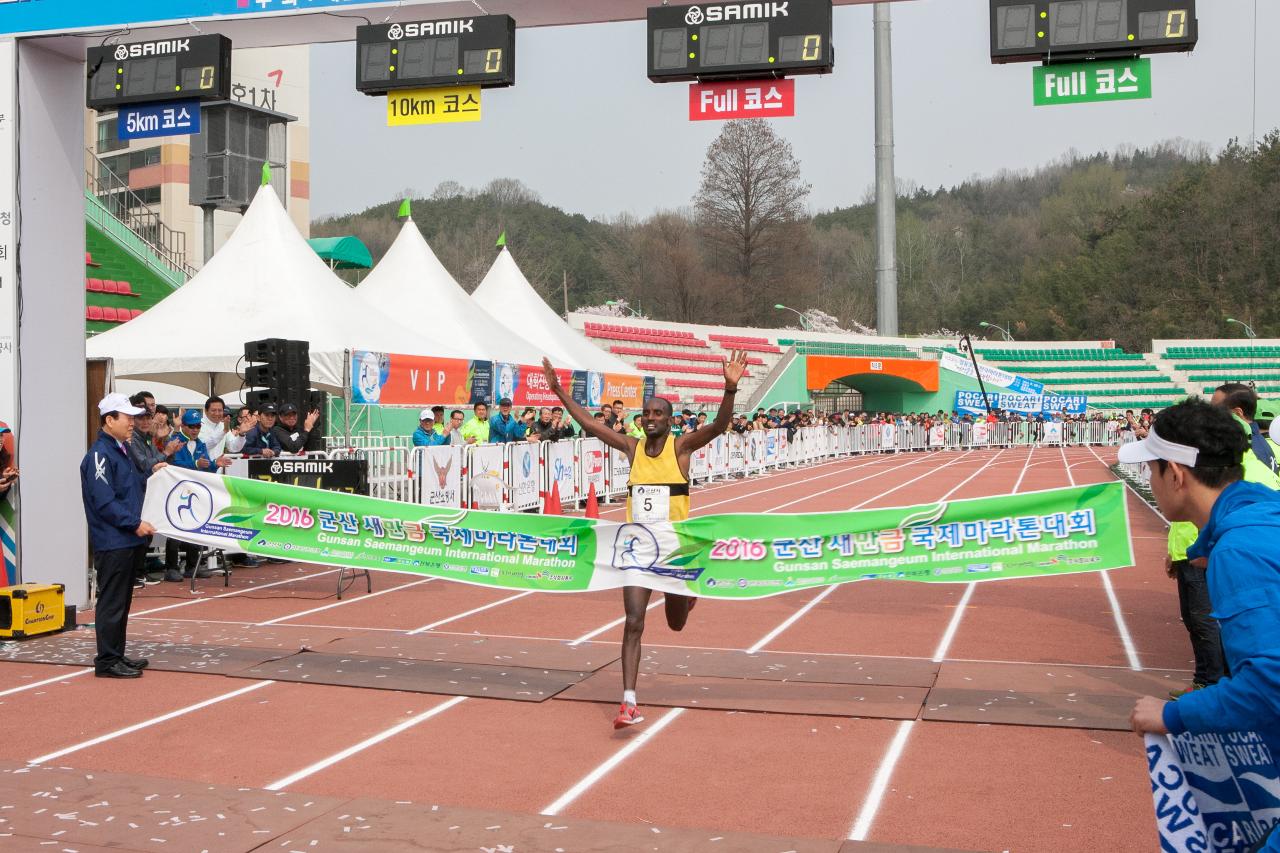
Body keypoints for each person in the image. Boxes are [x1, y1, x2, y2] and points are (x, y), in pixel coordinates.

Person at [542, 349, 748, 729]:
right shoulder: (632, 447)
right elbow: (590, 425)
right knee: (634, 621)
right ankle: (628, 702)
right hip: (636, 548)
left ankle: (686, 599)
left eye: (657, 414)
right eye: (646, 414)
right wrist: (558, 392)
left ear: (670, 420)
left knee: (675, 624)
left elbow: (719, 426)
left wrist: (730, 389)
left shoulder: (681, 447)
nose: (650, 418)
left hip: (674, 549)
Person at [1125, 400, 1280, 820]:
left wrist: (1174, 714)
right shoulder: (1260, 517)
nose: (1149, 480)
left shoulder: (1240, 551)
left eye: (1150, 469)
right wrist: (1207, 547)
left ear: (1174, 475)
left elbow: (1272, 687)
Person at [79, 394, 155, 679]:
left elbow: (131, 488)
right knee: (112, 601)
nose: (132, 423)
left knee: (121, 601)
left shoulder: (120, 450)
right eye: (127, 418)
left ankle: (116, 654)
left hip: (128, 539)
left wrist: (153, 472)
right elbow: (104, 501)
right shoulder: (100, 454)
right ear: (109, 420)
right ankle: (107, 660)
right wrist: (134, 523)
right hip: (114, 541)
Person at [1213, 383, 1278, 474]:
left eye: (1215, 409)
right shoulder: (1256, 440)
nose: (1209, 414)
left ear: (1238, 413)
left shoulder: (1245, 448)